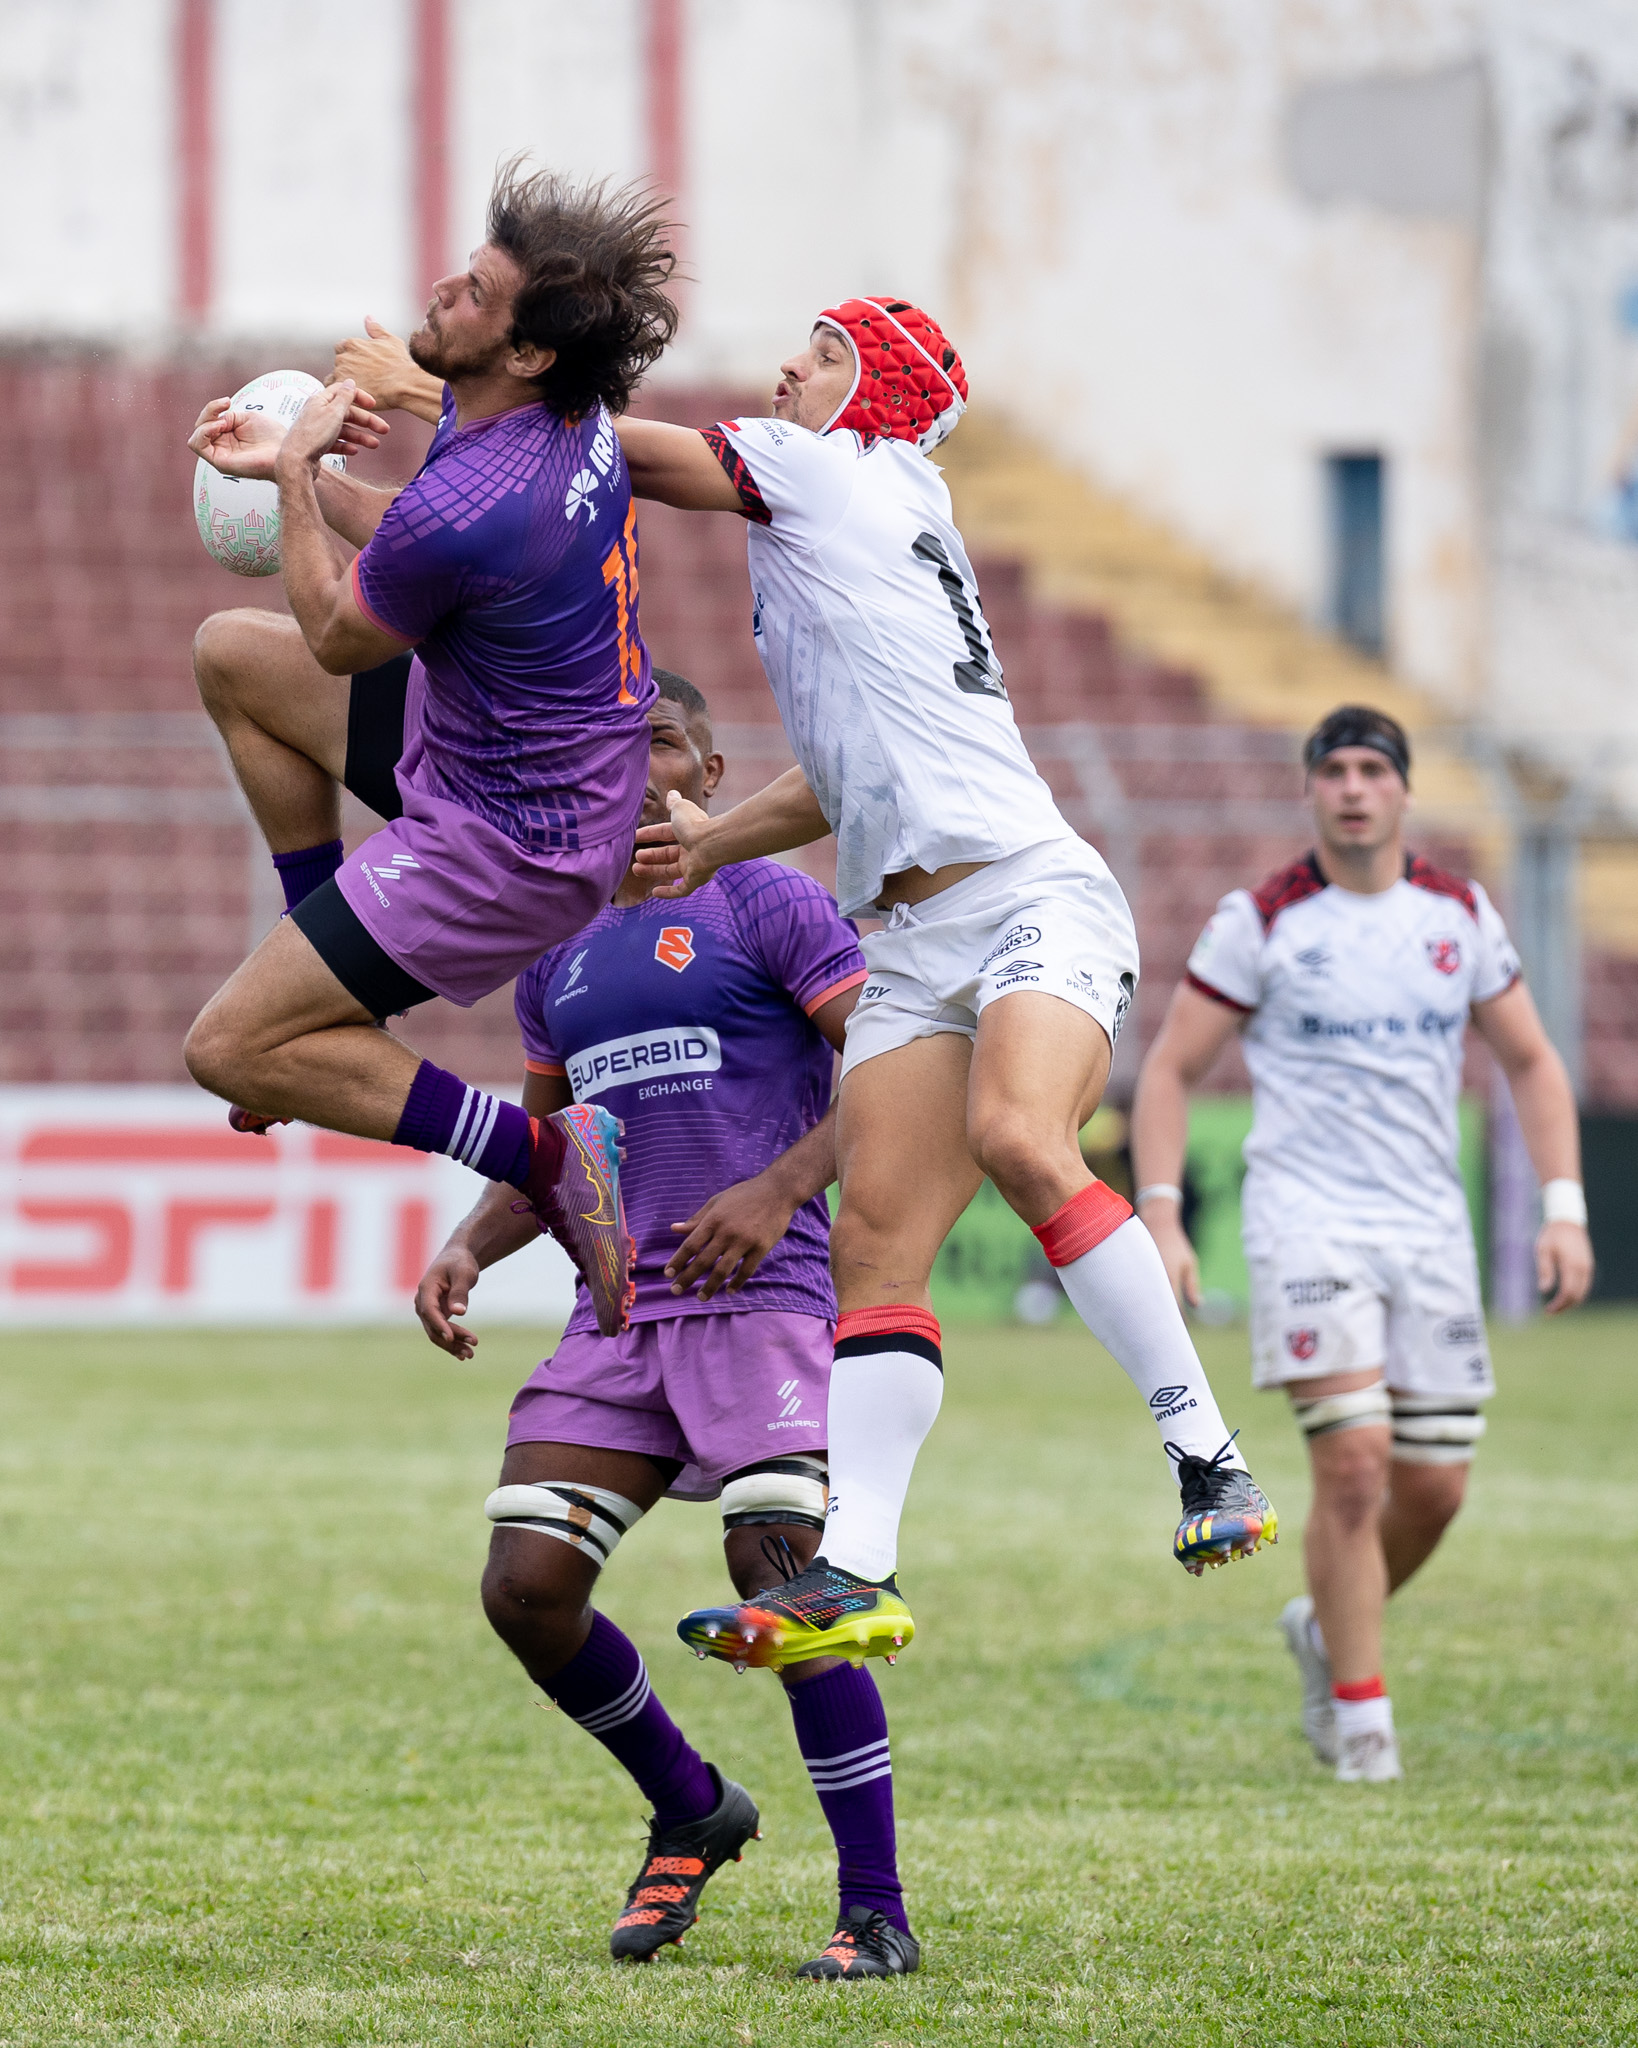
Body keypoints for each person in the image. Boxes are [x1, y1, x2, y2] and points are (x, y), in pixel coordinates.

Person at [520, 294, 1276, 1673]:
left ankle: (1206, 1455)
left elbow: (630, 457)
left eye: (816, 352)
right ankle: (853, 1568)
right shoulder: (866, 516)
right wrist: (709, 842)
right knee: (875, 1244)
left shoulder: (827, 465)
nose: (783, 369)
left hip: (1025, 889)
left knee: (1014, 1135)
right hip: (911, 936)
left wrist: (509, 395)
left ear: (870, 385)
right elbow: (837, 768)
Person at [415, 672, 919, 1978]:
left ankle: (875, 1909)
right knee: (525, 1589)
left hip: (765, 1298)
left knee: (785, 1582)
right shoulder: (560, 947)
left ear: (708, 764)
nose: (633, 769)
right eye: (605, 748)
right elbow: (554, 1145)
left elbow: (897, 1073)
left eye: (657, 742)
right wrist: (472, 1242)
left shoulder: (771, 900)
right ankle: (691, 1805)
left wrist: (776, 1188)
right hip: (620, 1314)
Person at [181, 165, 680, 1334]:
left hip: (516, 842)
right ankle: (324, 951)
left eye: (478, 292)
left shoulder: (484, 494)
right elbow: (422, 544)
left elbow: (341, 632)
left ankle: (549, 1157)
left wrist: (302, 472)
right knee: (229, 655)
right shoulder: (544, 420)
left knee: (230, 1046)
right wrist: (303, 469)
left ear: (529, 351)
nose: (447, 288)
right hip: (511, 754)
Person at [1129, 705, 1594, 1782]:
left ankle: (1324, 1624)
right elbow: (1167, 1070)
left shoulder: (1459, 912)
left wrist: (1564, 1204)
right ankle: (1364, 1723)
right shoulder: (1266, 916)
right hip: (1308, 1218)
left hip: (1431, 1226)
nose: (1351, 786)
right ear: (1310, 791)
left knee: (1434, 1488)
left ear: (1402, 791)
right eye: (1332, 768)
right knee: (1353, 1462)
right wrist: (1161, 1210)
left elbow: (1530, 1059)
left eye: (1371, 769)